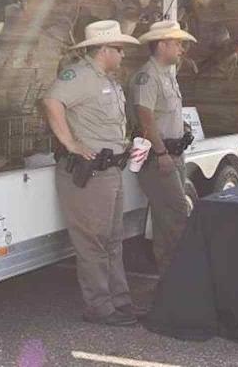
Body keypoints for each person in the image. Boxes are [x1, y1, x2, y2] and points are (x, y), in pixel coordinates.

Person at [43, 20, 141, 327]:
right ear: (103, 49)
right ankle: (100, 307)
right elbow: (51, 101)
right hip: (91, 174)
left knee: (113, 239)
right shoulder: (80, 76)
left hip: (109, 171)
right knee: (94, 242)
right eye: (119, 49)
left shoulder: (108, 80)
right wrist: (70, 143)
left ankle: (119, 301)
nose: (123, 55)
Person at [128, 21, 197, 275]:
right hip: (160, 156)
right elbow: (144, 117)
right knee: (177, 212)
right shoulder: (147, 76)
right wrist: (160, 152)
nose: (181, 48)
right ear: (162, 45)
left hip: (173, 152)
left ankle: (168, 277)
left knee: (165, 216)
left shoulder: (167, 74)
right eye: (177, 43)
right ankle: (178, 274)